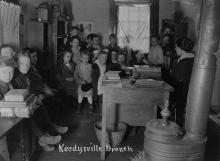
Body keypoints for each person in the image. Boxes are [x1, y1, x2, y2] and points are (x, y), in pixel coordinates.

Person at [0, 56, 61, 151]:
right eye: (4, 72)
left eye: (10, 72)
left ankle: (45, 137)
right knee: (26, 116)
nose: (8, 75)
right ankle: (43, 138)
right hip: (4, 117)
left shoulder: (9, 83)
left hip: (12, 111)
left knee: (35, 107)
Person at [12, 53, 66, 137]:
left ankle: (52, 129)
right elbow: (22, 94)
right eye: (23, 64)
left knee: (44, 104)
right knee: (41, 106)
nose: (26, 66)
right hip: (23, 104)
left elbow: (33, 86)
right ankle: (50, 131)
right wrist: (35, 97)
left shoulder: (27, 73)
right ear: (16, 64)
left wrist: (38, 94)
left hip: (30, 98)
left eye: (28, 64)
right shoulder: (17, 77)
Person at [168, 37, 195, 126]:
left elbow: (174, 79)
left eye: (177, 47)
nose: (175, 49)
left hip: (181, 95)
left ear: (182, 48)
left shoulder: (184, 62)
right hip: (190, 94)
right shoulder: (192, 59)